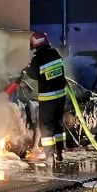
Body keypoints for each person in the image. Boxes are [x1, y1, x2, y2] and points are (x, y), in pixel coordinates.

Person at [23, 31, 67, 164]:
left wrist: (27, 69)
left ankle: (49, 155)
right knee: (58, 125)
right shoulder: (55, 53)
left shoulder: (37, 59)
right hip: (61, 97)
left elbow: (33, 74)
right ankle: (60, 152)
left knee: (46, 127)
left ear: (34, 44)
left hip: (48, 99)